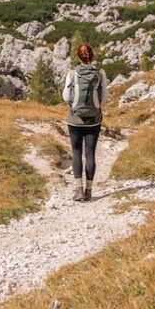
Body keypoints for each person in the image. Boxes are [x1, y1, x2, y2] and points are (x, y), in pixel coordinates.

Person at [63, 43, 108, 202]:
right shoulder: (100, 73)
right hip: (94, 120)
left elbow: (66, 97)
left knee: (76, 152)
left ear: (78, 56)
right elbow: (104, 98)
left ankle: (79, 190)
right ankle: (89, 191)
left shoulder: (72, 73)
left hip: (75, 120)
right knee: (90, 153)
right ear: (92, 56)